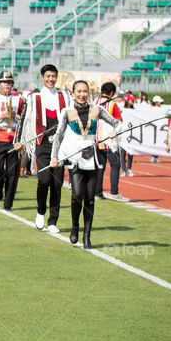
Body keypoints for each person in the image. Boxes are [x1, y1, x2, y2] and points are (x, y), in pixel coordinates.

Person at [50, 80, 121, 249]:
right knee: (77, 195)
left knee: (89, 199)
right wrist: (54, 157)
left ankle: (87, 236)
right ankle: (75, 226)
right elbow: (58, 135)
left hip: (92, 158)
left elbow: (117, 123)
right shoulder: (67, 112)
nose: (82, 94)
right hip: (75, 158)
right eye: (79, 91)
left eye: (85, 91)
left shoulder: (97, 110)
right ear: (73, 93)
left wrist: (114, 132)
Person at [19, 64, 70, 232]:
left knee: (56, 184)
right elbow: (24, 119)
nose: (51, 79)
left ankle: (53, 221)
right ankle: (41, 211)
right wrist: (18, 140)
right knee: (44, 180)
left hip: (60, 146)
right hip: (43, 144)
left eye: (53, 76)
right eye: (48, 76)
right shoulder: (34, 97)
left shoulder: (64, 96)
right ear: (42, 76)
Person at [0, 71, 24, 210]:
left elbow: (24, 121)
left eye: (9, 82)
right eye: (4, 82)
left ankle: (8, 202)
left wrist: (15, 116)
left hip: (14, 138)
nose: (6, 85)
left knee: (12, 172)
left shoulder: (19, 100)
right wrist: (2, 115)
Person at [96, 82, 124, 200]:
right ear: (112, 93)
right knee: (115, 165)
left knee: (99, 167)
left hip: (97, 139)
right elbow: (119, 120)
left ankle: (97, 192)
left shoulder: (94, 102)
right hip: (110, 141)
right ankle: (114, 191)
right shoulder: (112, 104)